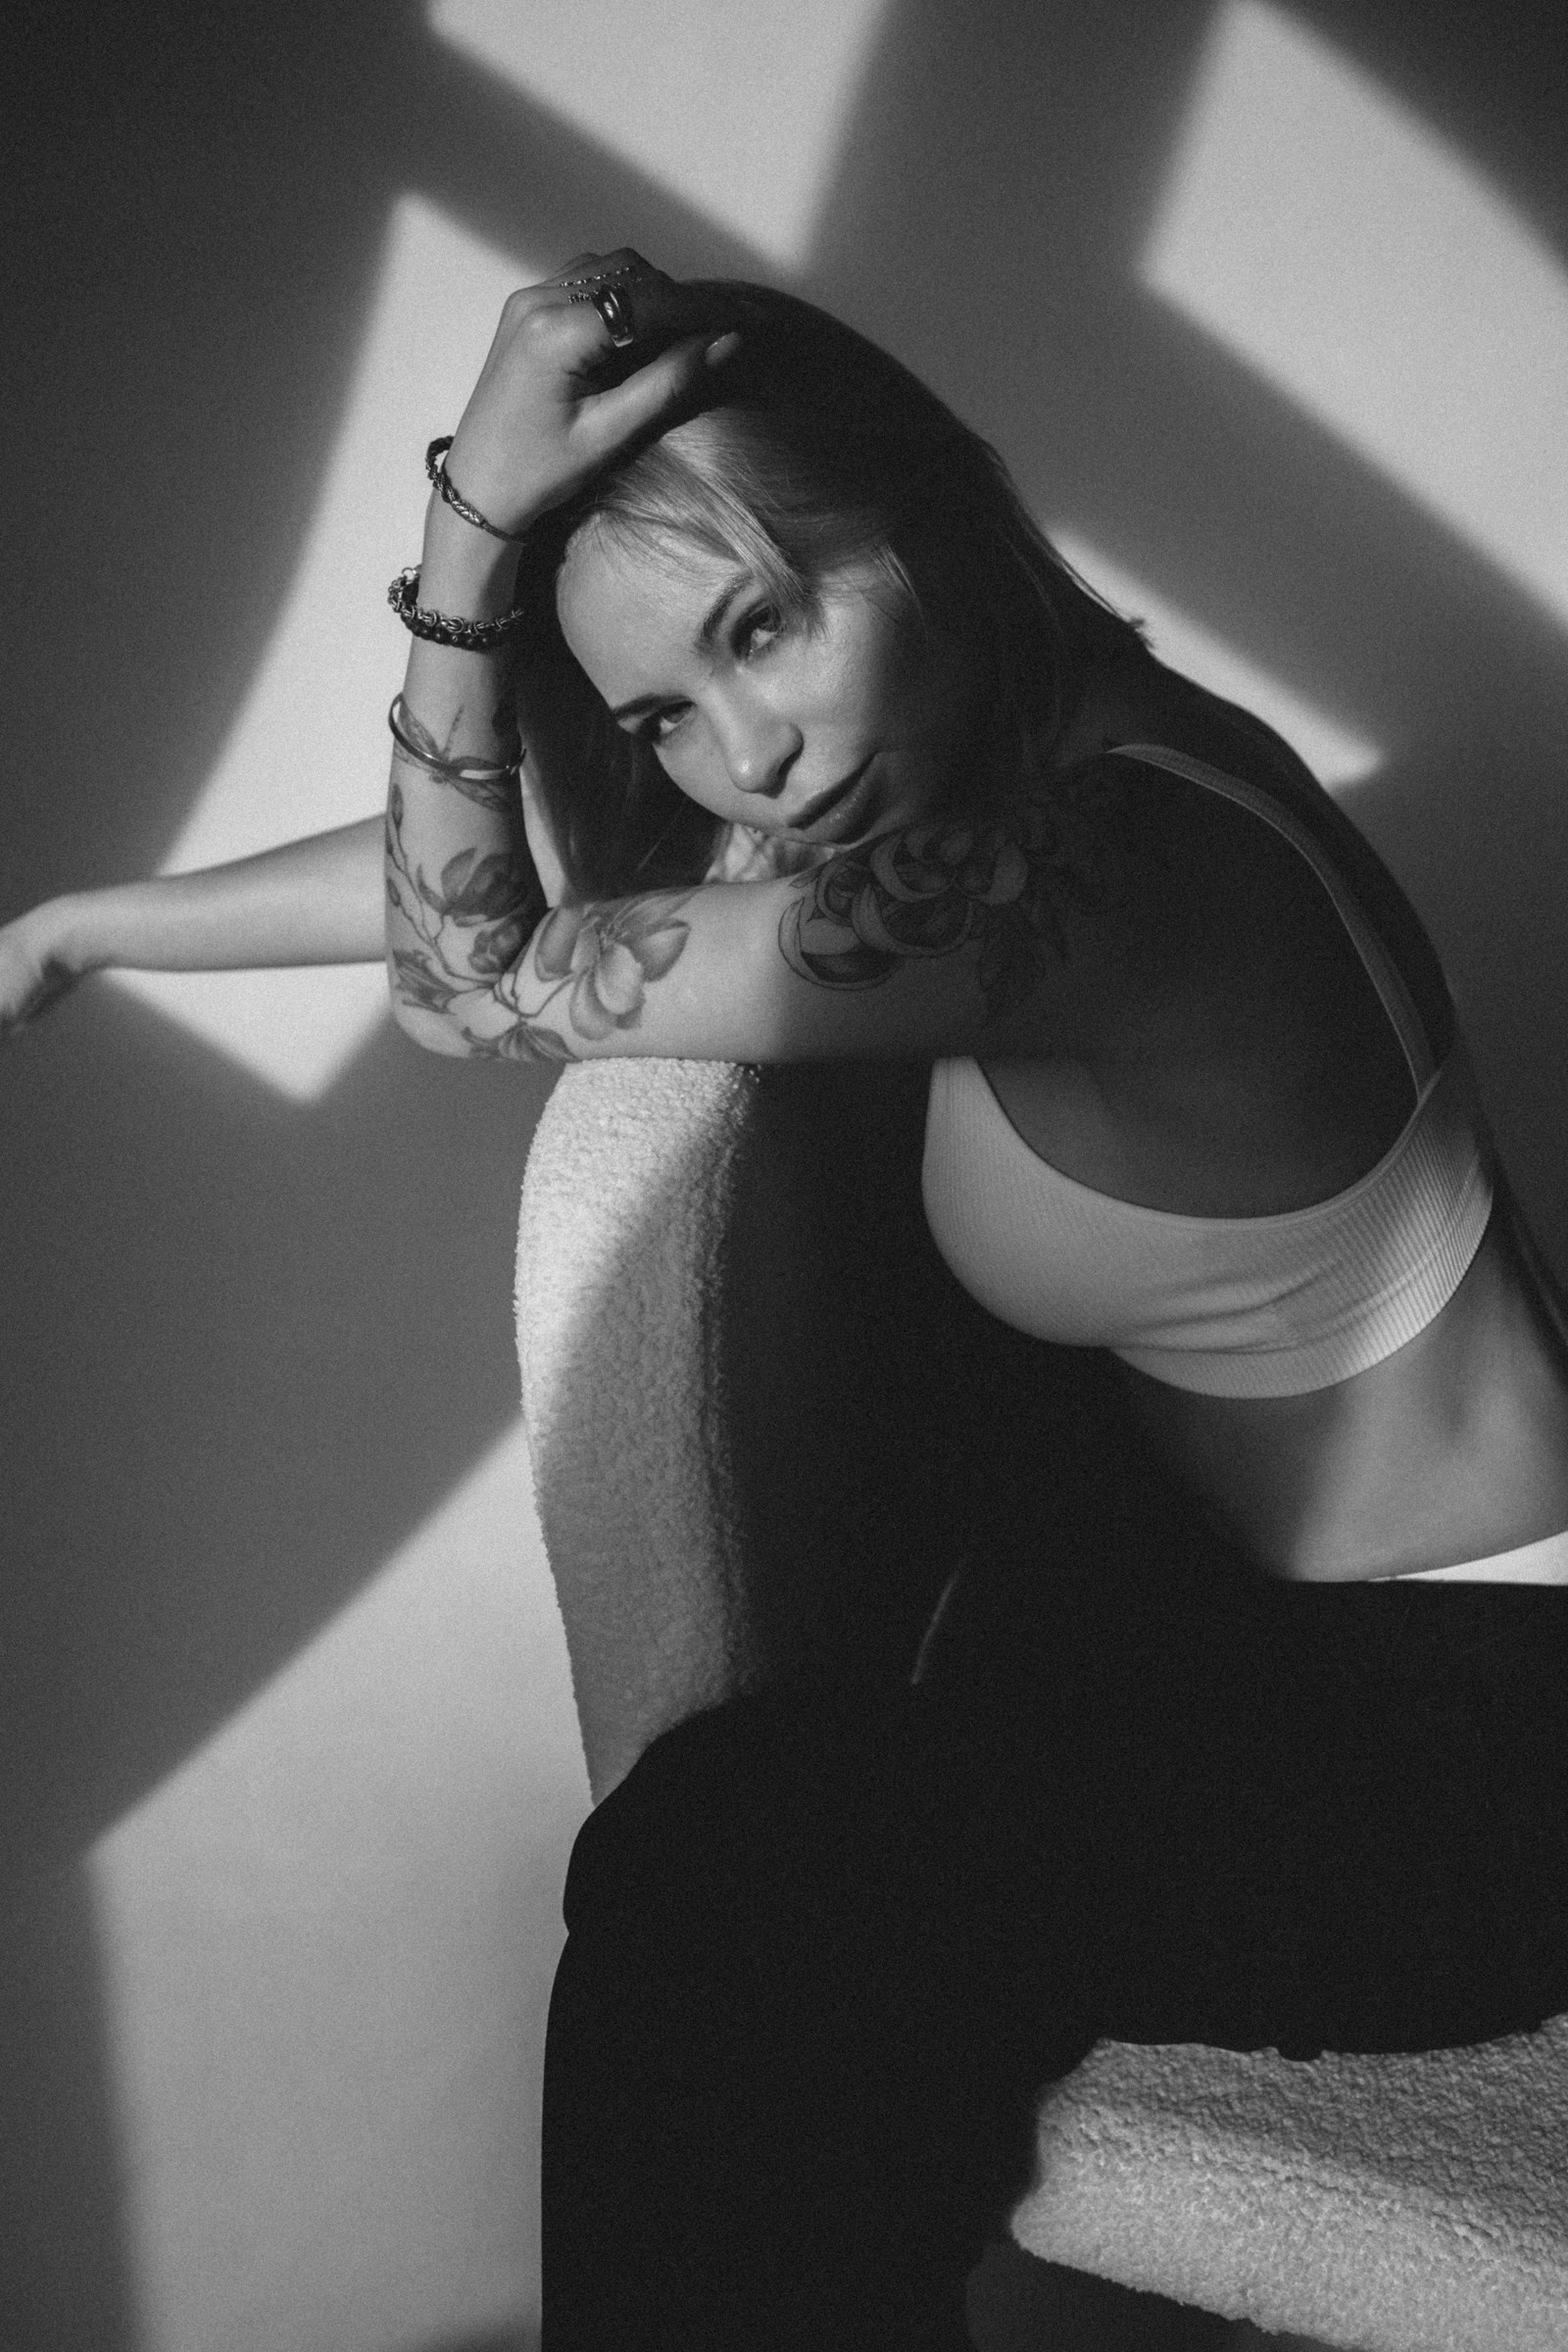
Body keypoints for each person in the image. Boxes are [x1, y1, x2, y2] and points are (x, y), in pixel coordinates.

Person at [7, 253, 1568, 2349]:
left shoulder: (1090, 874)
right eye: (666, 709)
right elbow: (514, 876)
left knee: (722, 1882)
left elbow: (467, 976)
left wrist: (477, 525)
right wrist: (75, 929)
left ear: (917, 513)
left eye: (764, 625)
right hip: (1296, 1637)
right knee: (762, 1875)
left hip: (1490, 1742)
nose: (749, 755)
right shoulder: (1002, 776)